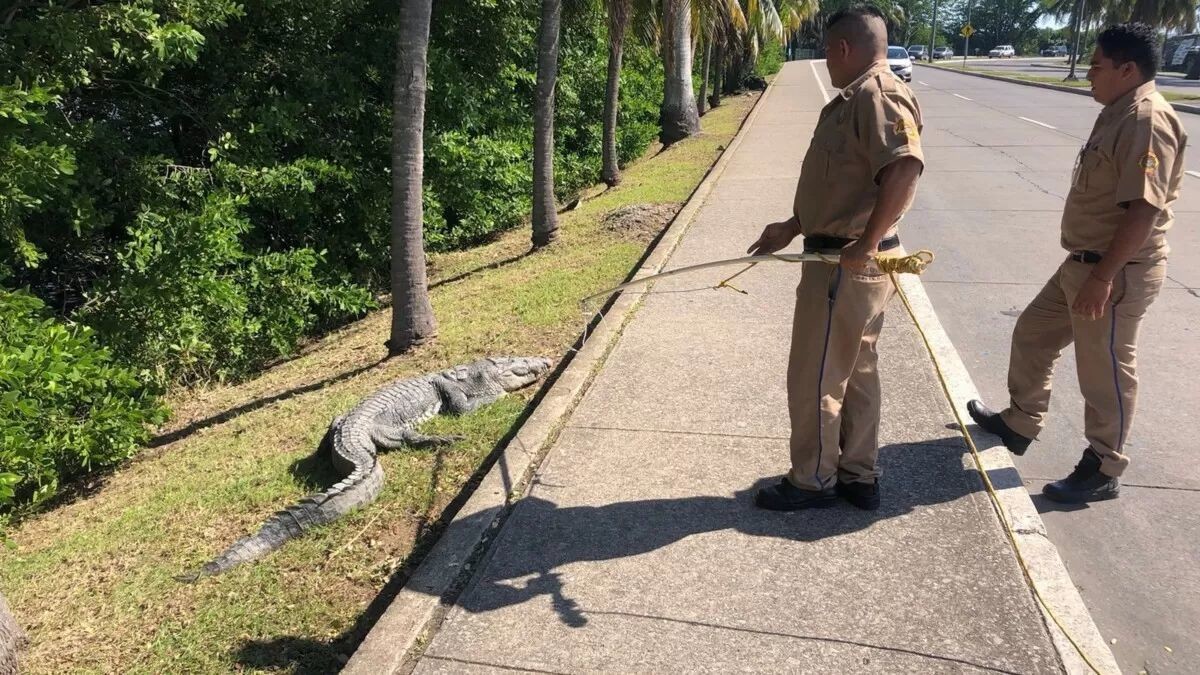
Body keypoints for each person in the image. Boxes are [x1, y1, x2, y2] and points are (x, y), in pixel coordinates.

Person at [968, 23, 1188, 504]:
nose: (1088, 74)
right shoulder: (1118, 111)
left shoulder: (1145, 119)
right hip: (1082, 264)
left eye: (1096, 66)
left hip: (1113, 272)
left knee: (1104, 370)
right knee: (1032, 333)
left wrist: (1103, 277)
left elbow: (1144, 210)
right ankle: (1019, 423)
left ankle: (1104, 466)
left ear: (1127, 70)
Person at [749, 5, 924, 511]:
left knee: (817, 372)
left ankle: (812, 480)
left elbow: (905, 167)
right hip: (843, 258)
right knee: (856, 371)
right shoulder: (855, 98)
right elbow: (843, 183)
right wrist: (793, 224)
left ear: (844, 48)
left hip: (844, 267)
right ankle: (856, 474)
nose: (826, 59)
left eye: (827, 50)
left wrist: (867, 244)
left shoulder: (877, 94)